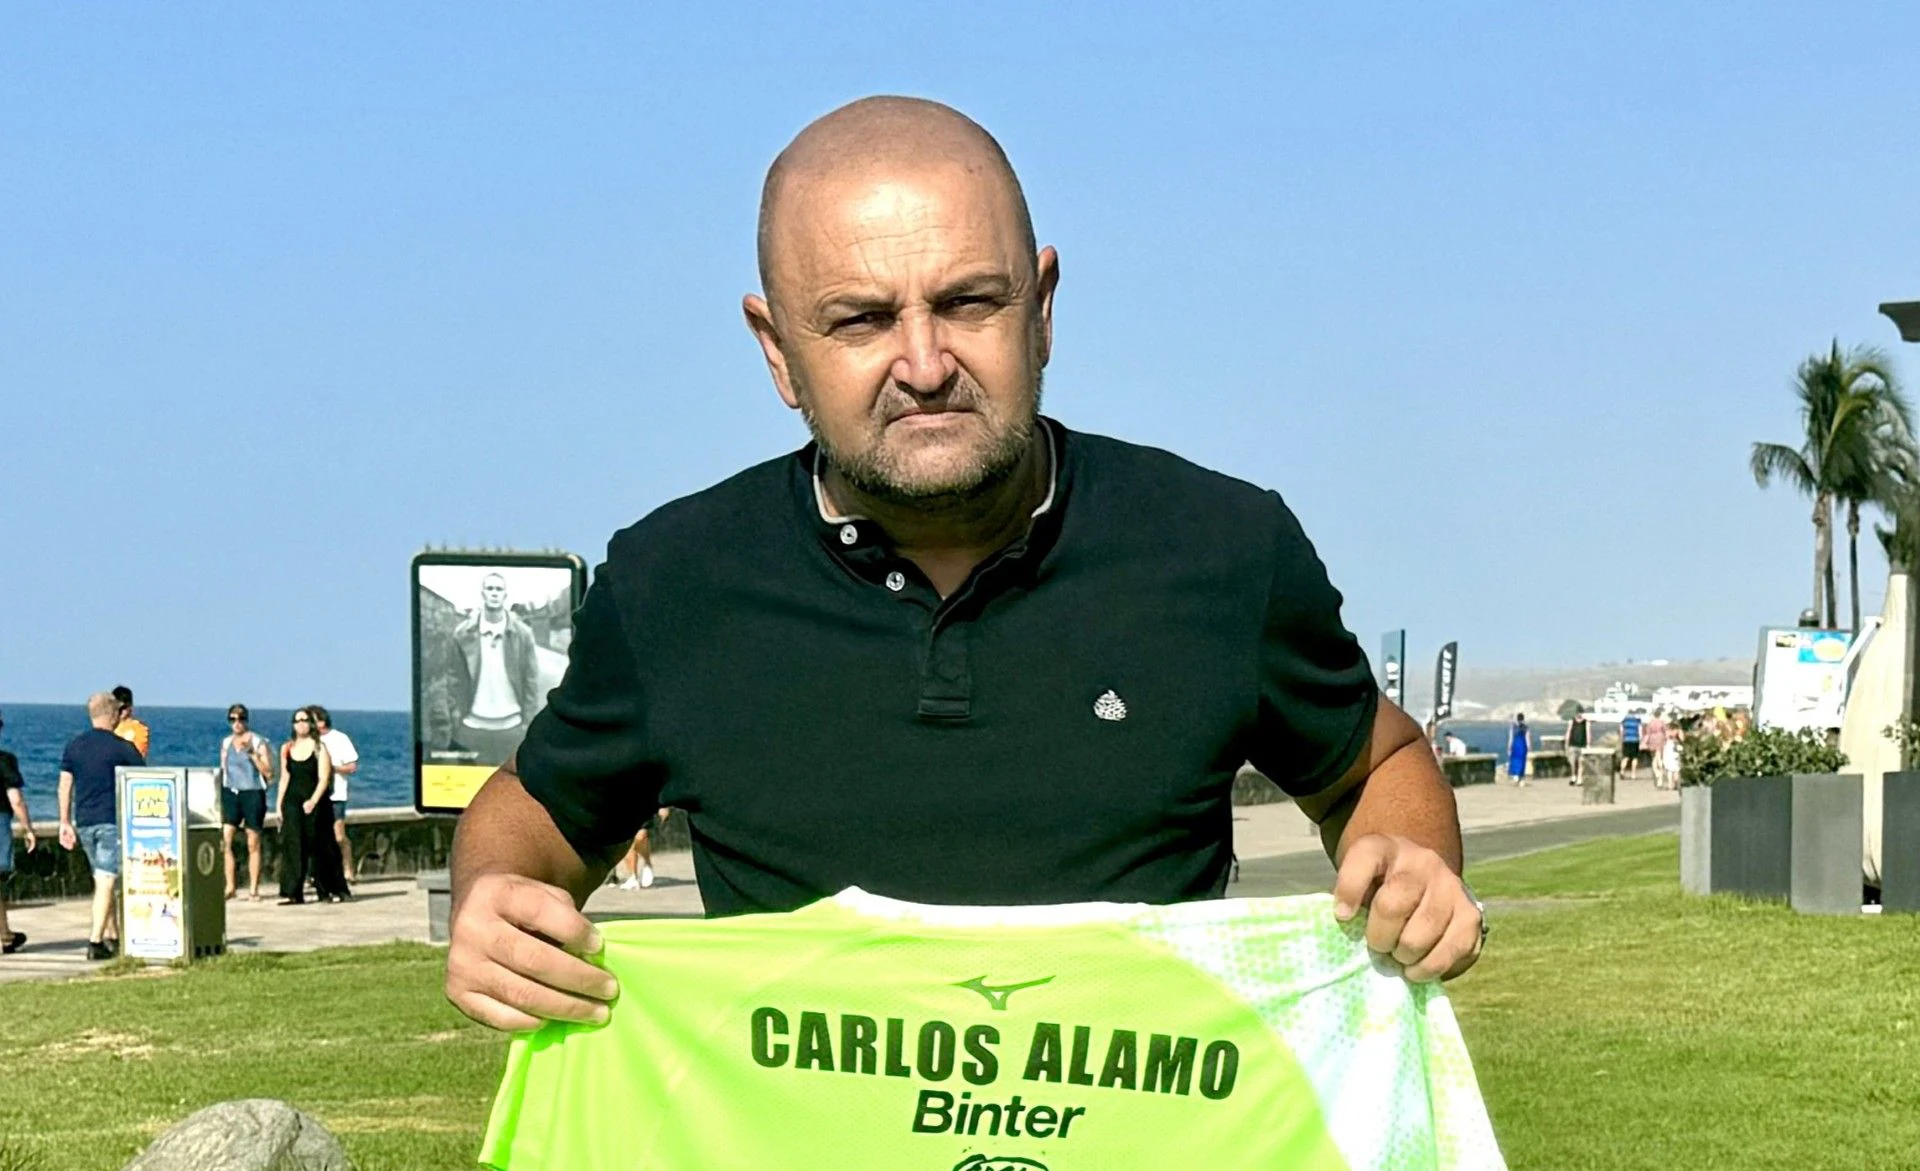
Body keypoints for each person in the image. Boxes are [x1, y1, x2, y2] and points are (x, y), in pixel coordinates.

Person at [446, 97, 1484, 1032]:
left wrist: (1414, 861)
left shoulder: (1225, 549)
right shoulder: (673, 581)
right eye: (859, 319)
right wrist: (494, 892)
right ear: (775, 350)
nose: (925, 364)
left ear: (1042, 310)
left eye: (968, 303)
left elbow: (1377, 764)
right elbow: (538, 812)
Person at [58, 691, 145, 960]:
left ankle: (114, 937)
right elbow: (143, 783)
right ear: (113, 714)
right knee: (107, 880)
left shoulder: (74, 746)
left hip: (84, 822)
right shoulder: (122, 748)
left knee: (103, 880)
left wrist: (64, 821)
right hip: (111, 821)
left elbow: (65, 785)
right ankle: (95, 941)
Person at [451, 572, 542, 765]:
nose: (494, 593)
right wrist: (456, 719)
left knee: (515, 789)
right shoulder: (462, 634)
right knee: (470, 791)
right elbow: (454, 679)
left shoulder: (523, 634)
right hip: (472, 725)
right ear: (482, 593)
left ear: (505, 595)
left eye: (498, 589)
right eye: (490, 588)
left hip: (512, 726)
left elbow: (531, 680)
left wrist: (528, 724)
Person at [275, 709, 348, 904]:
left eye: (305, 720)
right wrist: (279, 805)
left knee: (320, 846)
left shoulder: (319, 748)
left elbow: (324, 778)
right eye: (297, 720)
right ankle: (293, 892)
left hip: (315, 802)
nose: (301, 724)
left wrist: (313, 800)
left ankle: (327, 890)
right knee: (293, 844)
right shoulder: (287, 748)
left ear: (311, 724)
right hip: (292, 800)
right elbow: (284, 778)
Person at [219, 703, 274, 900]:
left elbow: (269, 772)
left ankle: (253, 888)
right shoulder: (226, 743)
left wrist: (252, 754)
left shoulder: (258, 742)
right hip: (232, 792)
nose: (237, 723)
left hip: (253, 793)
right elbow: (224, 769)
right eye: (233, 719)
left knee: (253, 842)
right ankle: (230, 886)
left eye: (241, 719)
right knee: (226, 840)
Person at [310, 706, 360, 884]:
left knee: (338, 835)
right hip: (315, 794)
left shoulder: (339, 738)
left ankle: (348, 868)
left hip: (336, 794)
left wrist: (332, 769)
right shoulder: (309, 741)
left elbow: (352, 766)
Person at [0, 711, 34, 955]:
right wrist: (28, 828)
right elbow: (16, 800)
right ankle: (4, 936)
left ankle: (5, 935)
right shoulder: (5, 761)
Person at [112, 685, 150, 759]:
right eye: (116, 707)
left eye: (123, 707)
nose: (120, 711)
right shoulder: (107, 727)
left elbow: (139, 754)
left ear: (130, 706)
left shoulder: (139, 729)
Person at [1643, 711, 1671, 790]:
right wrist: (1666, 740)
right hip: (1660, 738)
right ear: (1660, 715)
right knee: (1659, 757)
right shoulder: (1662, 722)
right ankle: (1660, 778)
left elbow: (1647, 734)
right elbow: (1666, 732)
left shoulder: (1650, 723)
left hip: (1652, 739)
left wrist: (1645, 742)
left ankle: (1656, 772)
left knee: (1654, 758)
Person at [1563, 704, 1589, 784]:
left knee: (1581, 763)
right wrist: (1566, 742)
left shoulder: (1586, 722)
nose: (1579, 714)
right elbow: (1568, 732)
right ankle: (1573, 776)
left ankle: (1579, 779)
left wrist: (1588, 744)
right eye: (1578, 712)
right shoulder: (1572, 721)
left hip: (1582, 745)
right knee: (1573, 762)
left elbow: (1588, 733)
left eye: (1580, 712)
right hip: (1572, 744)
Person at [1506, 711, 1530, 786]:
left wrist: (1509, 747)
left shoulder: (1513, 727)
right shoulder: (1526, 727)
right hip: (1522, 745)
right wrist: (1529, 747)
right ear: (1523, 719)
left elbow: (1511, 738)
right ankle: (1521, 777)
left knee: (1515, 760)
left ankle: (1516, 776)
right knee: (1522, 761)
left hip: (1515, 745)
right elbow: (1527, 738)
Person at [1620, 708, 1643, 777]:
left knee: (1625, 757)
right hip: (1635, 740)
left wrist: (1622, 739)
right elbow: (1640, 730)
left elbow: (1621, 730)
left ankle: (1622, 771)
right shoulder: (1637, 721)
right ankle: (1633, 774)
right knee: (1635, 758)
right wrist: (1641, 739)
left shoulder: (1624, 720)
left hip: (1626, 740)